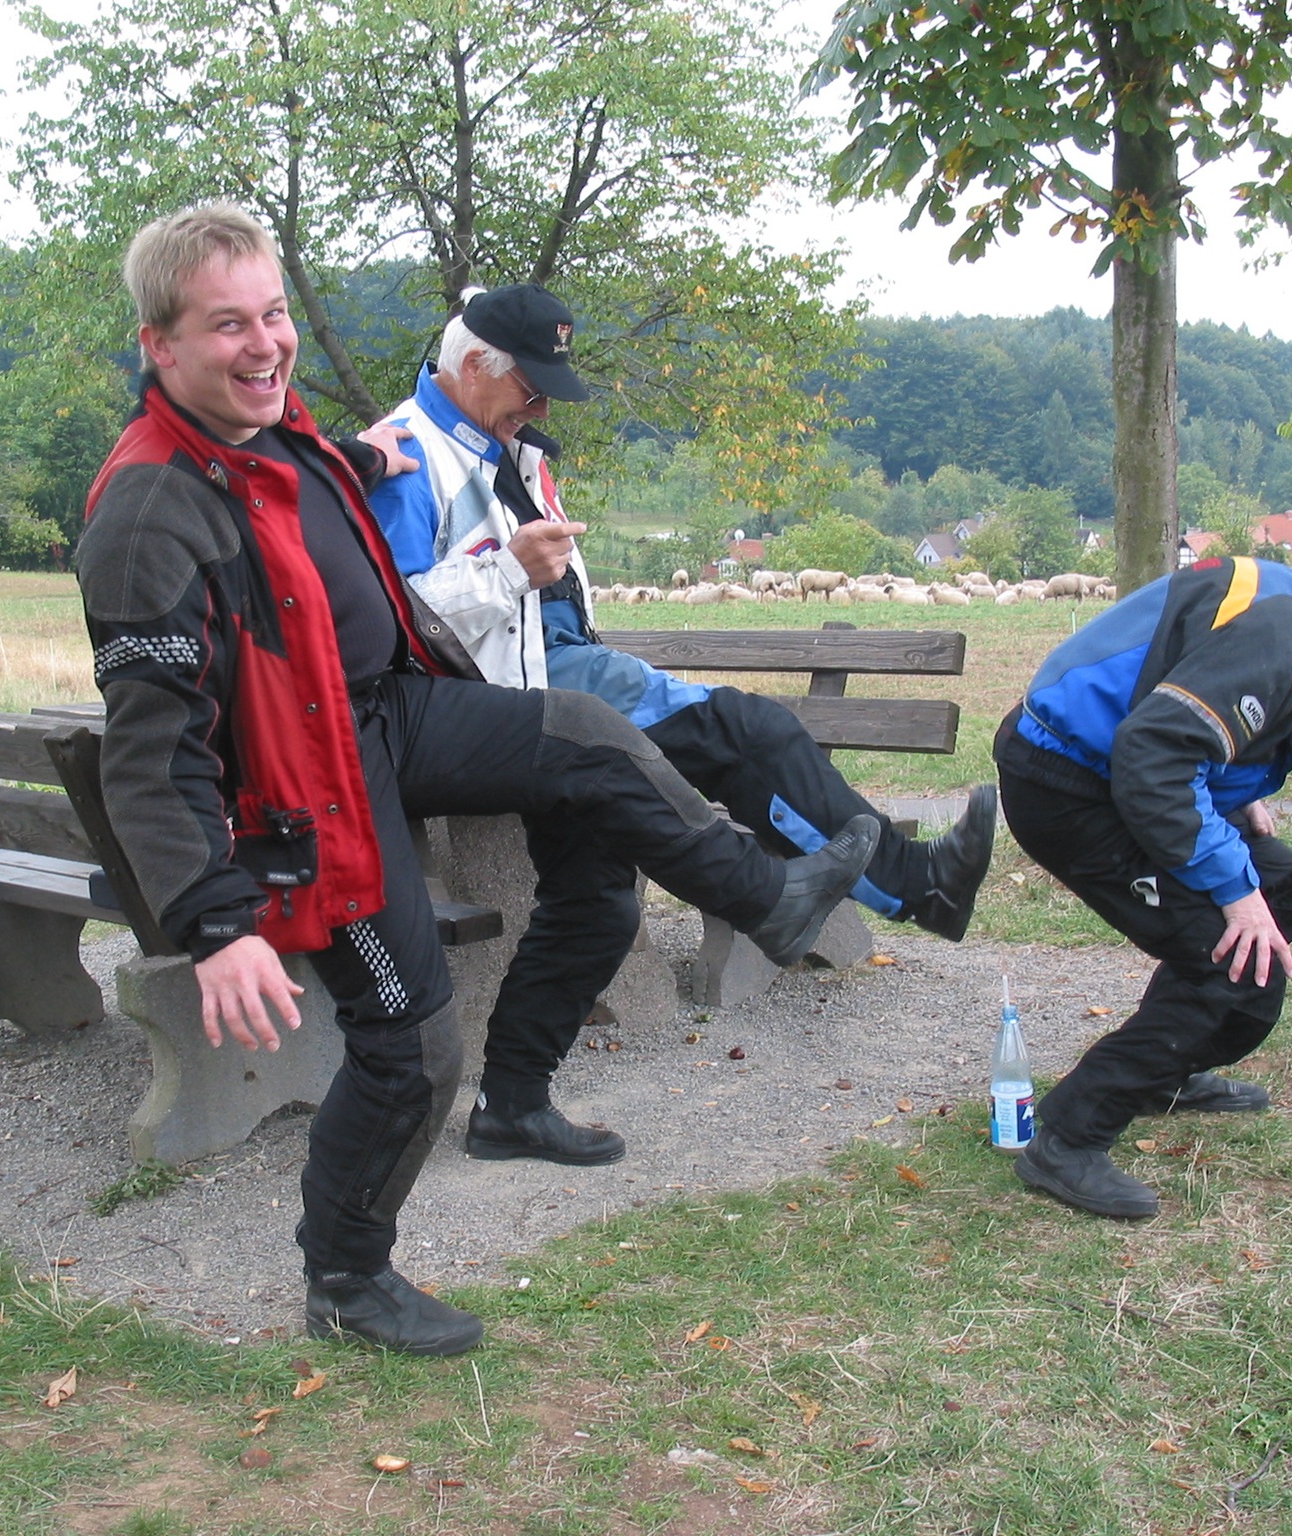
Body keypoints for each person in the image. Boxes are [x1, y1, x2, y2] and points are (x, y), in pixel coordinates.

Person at [75, 204, 880, 1356]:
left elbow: (293, 488)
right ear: (159, 344)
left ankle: (771, 898)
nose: (265, 345)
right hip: (307, 789)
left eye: (273, 315)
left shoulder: (270, 433)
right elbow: (151, 749)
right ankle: (347, 1279)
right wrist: (213, 922)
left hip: (381, 709)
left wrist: (359, 459)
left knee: (584, 731)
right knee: (411, 1045)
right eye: (226, 326)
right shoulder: (150, 507)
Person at [366, 284, 997, 1168]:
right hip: (503, 706)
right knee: (747, 731)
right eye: (531, 391)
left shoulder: (509, 445)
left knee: (597, 902)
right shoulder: (402, 458)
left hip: (554, 684)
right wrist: (509, 570)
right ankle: (914, 886)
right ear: (473, 366)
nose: (542, 410)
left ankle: (510, 1106)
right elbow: (388, 628)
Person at [993, 556, 1292, 1218]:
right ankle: (1069, 1139)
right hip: (1065, 787)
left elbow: (1189, 696)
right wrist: (1232, 891)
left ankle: (1164, 1075)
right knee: (1226, 959)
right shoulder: (1286, 638)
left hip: (1107, 775)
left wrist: (1233, 783)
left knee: (1281, 885)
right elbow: (1154, 755)